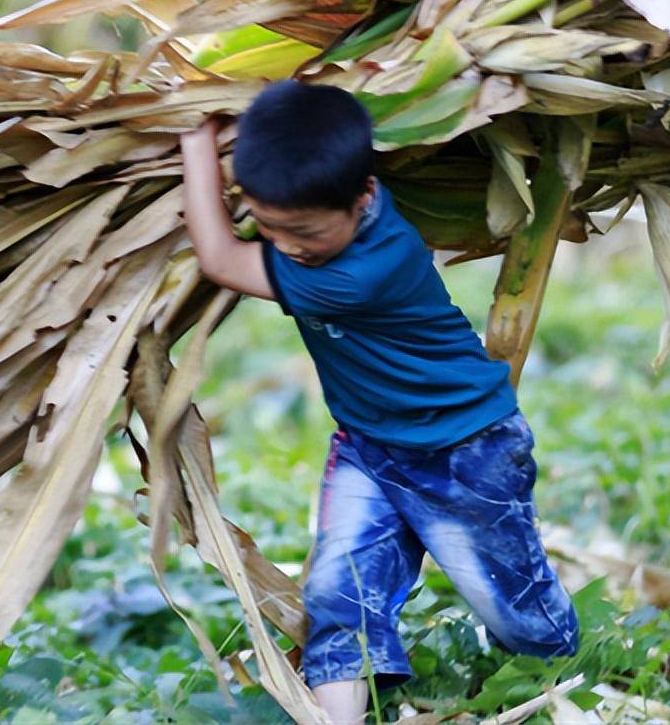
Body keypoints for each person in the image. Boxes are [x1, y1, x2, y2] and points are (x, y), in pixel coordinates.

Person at [178, 79, 578, 724]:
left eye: (302, 232)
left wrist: (195, 141)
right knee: (339, 591)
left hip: (467, 455)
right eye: (270, 227)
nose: (285, 247)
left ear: (365, 196)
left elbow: (221, 257)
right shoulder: (335, 198)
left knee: (515, 612)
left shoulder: (361, 272)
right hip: (367, 447)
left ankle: (569, 672)